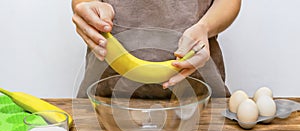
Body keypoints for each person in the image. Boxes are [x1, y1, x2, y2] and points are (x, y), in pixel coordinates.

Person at [72, 0, 241, 98]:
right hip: (106, 92)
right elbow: (83, 2)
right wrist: (89, 8)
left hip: (198, 91)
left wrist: (205, 27)